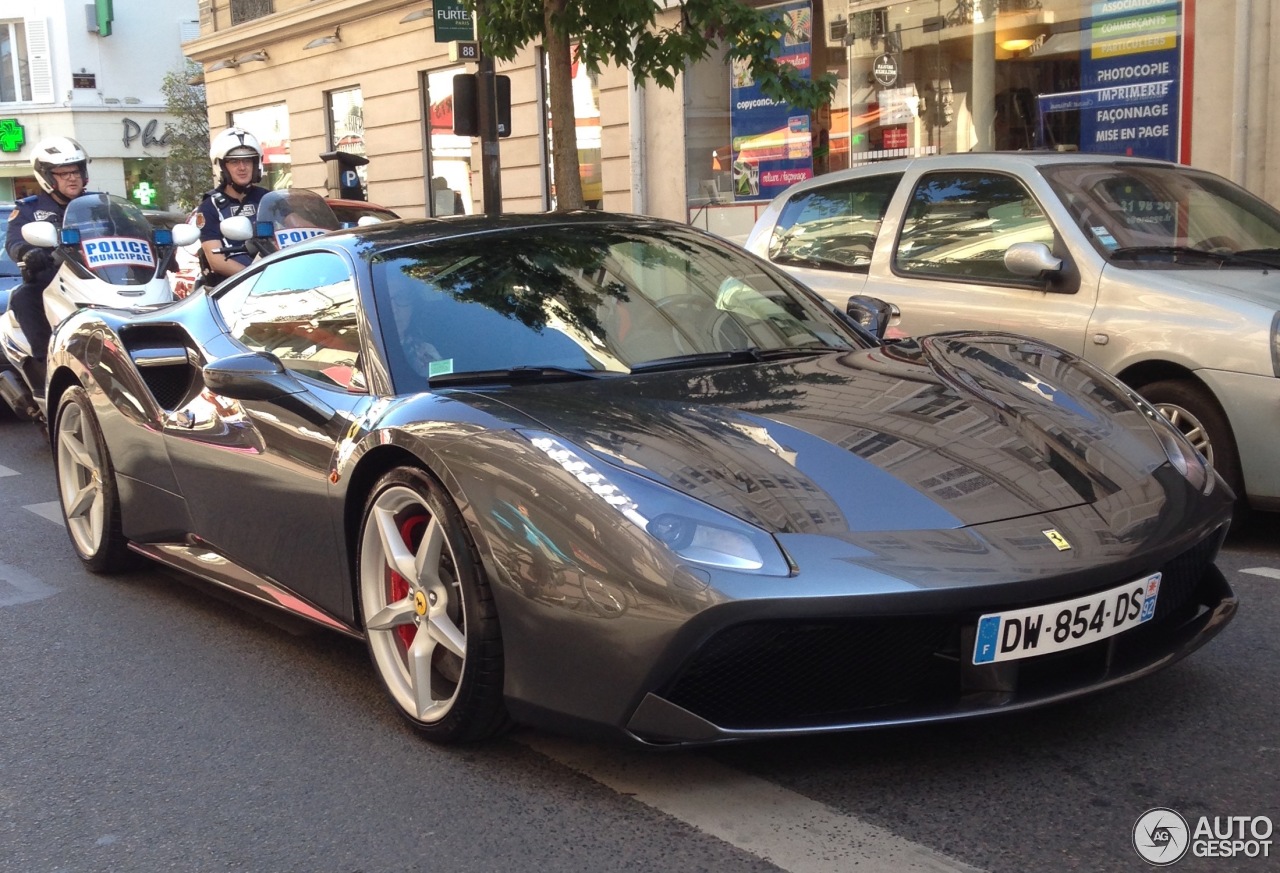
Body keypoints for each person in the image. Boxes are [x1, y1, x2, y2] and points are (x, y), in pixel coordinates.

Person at [5, 136, 90, 390]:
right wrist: (26, 253)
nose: (71, 178)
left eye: (75, 171)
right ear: (47, 177)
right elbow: (13, 242)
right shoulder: (30, 209)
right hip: (52, 281)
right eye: (62, 173)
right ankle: (48, 371)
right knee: (24, 297)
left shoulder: (97, 205)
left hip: (96, 278)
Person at [195, 126, 269, 283]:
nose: (242, 167)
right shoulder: (210, 206)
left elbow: (294, 226)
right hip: (235, 286)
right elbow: (217, 261)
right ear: (222, 166)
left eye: (247, 160)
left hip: (276, 275)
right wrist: (254, 277)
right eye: (234, 161)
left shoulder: (267, 199)